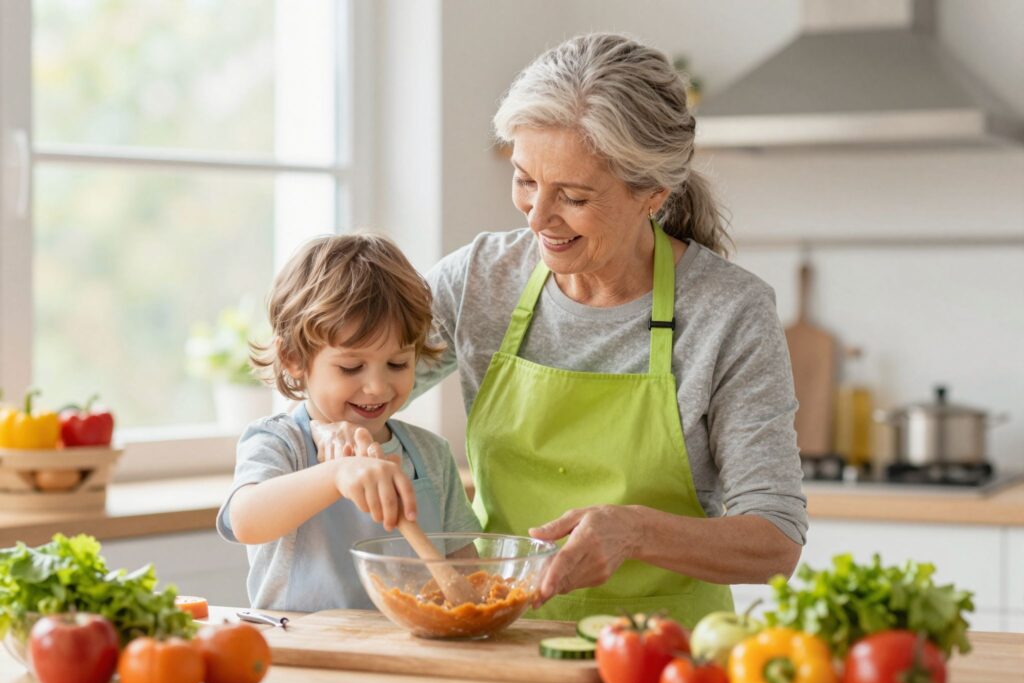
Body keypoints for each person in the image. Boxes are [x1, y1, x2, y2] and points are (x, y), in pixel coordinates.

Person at [411, 33, 807, 626]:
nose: (537, 218)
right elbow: (349, 382)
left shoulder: (729, 311)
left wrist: (636, 533)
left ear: (653, 194)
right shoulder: (479, 278)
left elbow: (775, 541)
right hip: (503, 637)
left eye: (572, 197)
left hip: (667, 654)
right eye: (524, 180)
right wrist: (342, 435)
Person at [216, 233, 481, 612]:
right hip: (302, 645)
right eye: (352, 367)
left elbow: (465, 570)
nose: (377, 386)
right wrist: (336, 474)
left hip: (407, 645)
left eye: (398, 363)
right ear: (293, 358)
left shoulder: (431, 455)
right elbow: (246, 521)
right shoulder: (279, 442)